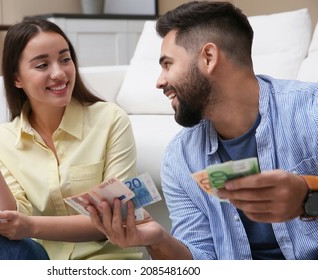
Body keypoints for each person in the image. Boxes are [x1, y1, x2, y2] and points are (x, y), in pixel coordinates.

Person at [88, 1, 318, 260]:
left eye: (167, 64)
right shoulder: (180, 157)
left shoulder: (311, 110)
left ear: (208, 58)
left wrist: (308, 196)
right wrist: (157, 240)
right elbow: (200, 262)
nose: (159, 81)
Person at [0, 17, 142, 260]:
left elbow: (116, 218)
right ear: (17, 78)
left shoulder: (110, 120)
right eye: (41, 66)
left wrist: (31, 227)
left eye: (65, 59)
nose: (59, 73)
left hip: (103, 263)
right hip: (39, 259)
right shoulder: (4, 139)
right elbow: (7, 219)